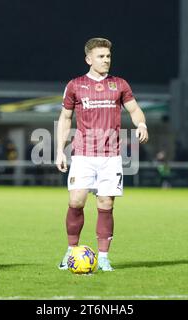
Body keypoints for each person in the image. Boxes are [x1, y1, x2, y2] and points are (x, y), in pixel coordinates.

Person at [56, 38, 149, 271]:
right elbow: (65, 118)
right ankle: (71, 251)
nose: (106, 60)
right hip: (83, 154)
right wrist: (59, 150)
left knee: (106, 204)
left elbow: (135, 109)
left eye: (108, 56)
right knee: (75, 201)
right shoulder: (75, 85)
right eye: (100, 56)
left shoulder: (119, 84)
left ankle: (104, 258)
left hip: (111, 156)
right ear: (88, 59)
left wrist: (142, 125)